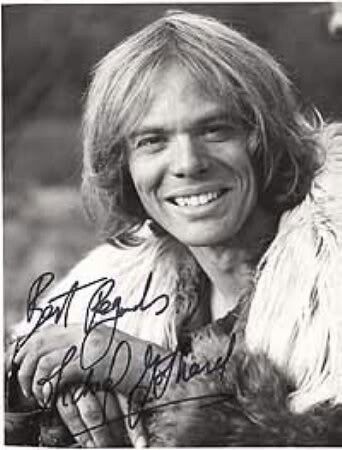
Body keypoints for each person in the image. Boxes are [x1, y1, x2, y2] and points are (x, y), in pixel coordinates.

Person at [6, 9, 342, 447]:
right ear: (123, 166)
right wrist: (55, 393)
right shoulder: (115, 285)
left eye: (215, 129)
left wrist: (143, 370)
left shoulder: (329, 274)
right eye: (152, 141)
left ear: (265, 139)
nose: (187, 163)